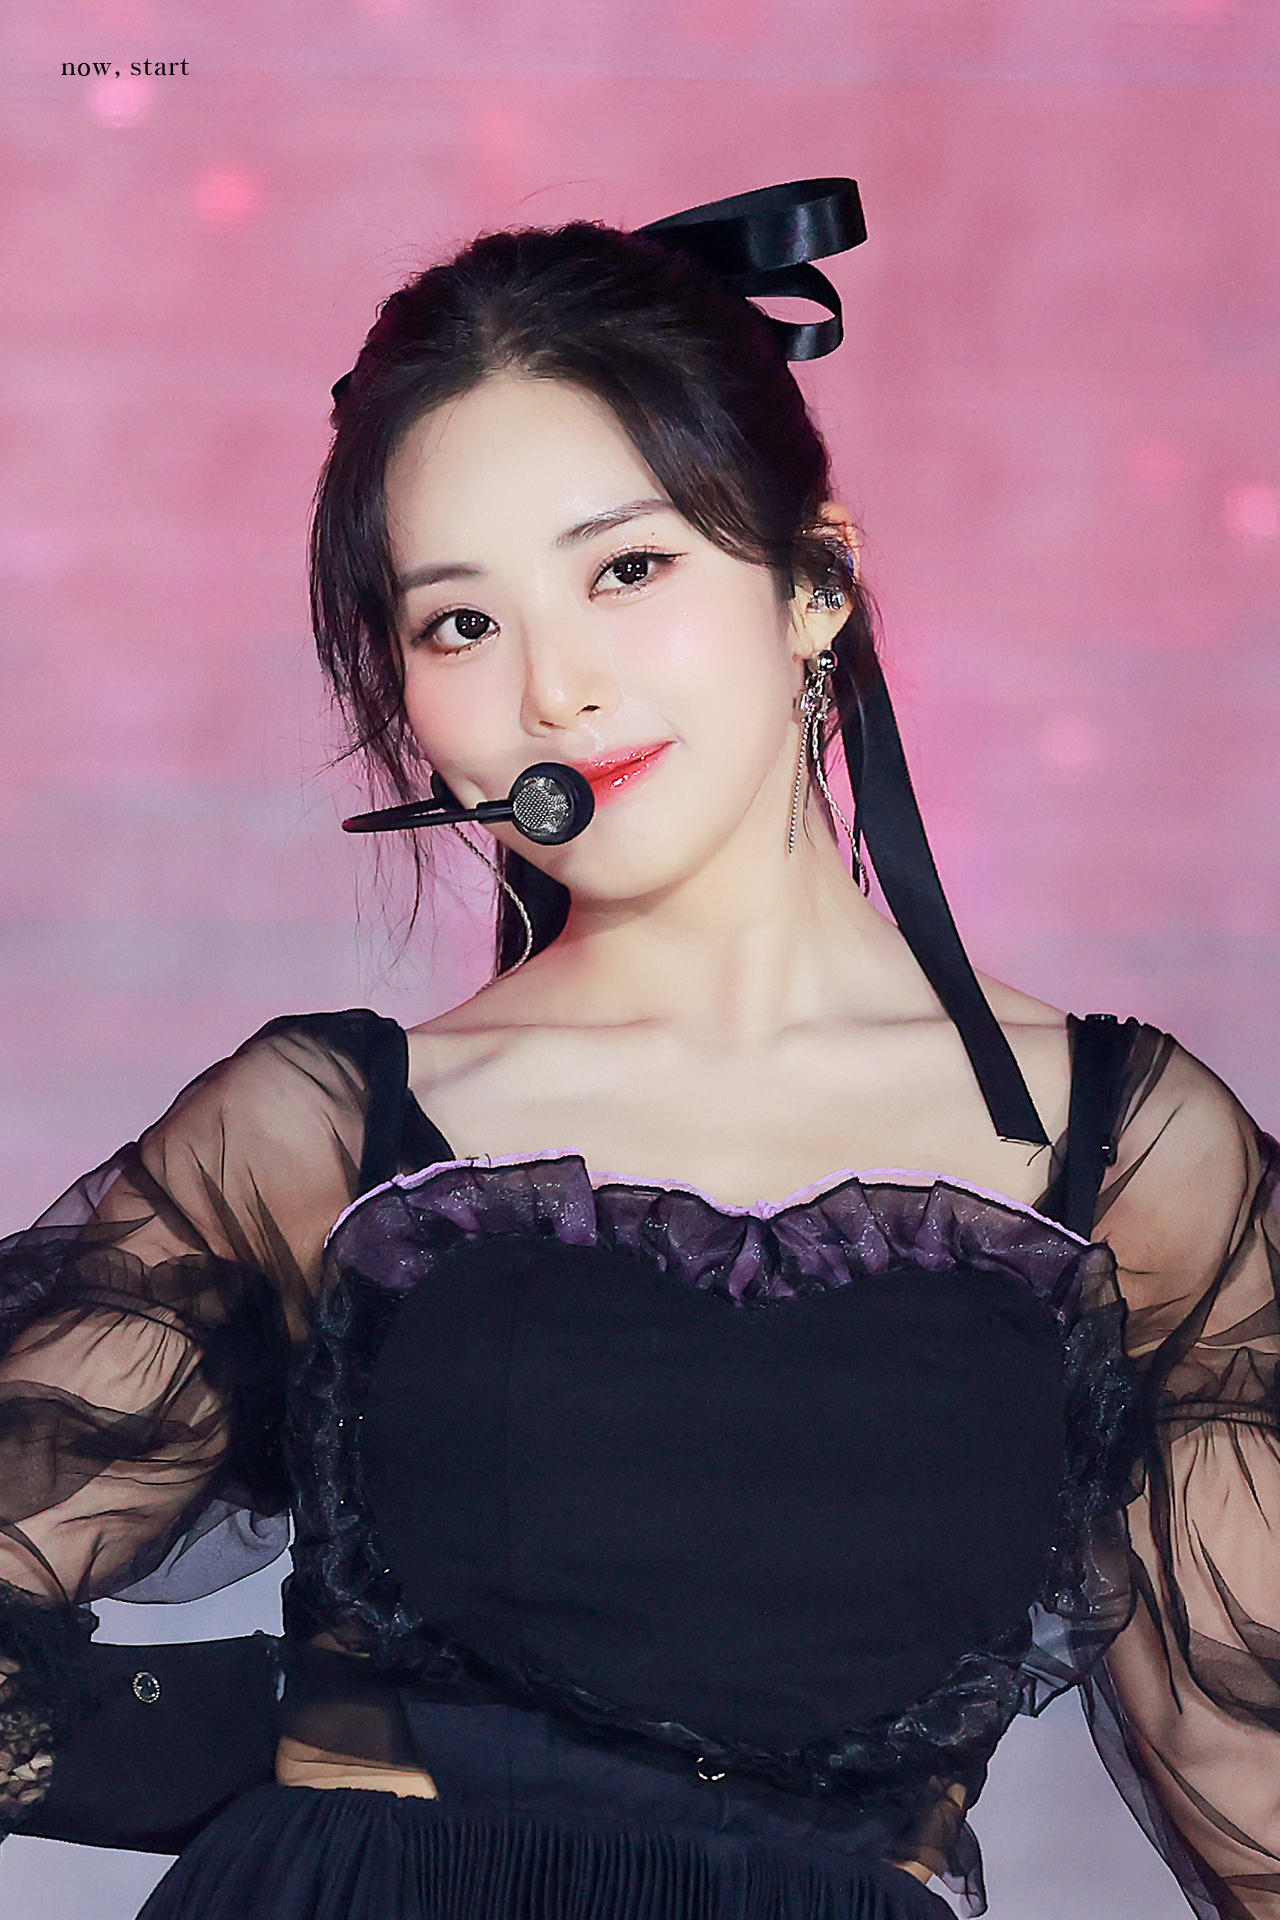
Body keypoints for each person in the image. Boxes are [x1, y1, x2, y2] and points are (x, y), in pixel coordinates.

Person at [0, 179, 1276, 1920]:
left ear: (815, 580)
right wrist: (282, 1749)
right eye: (461, 623)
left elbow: (1254, 1776)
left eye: (628, 568)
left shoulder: (1126, 1155)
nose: (554, 690)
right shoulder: (328, 1136)